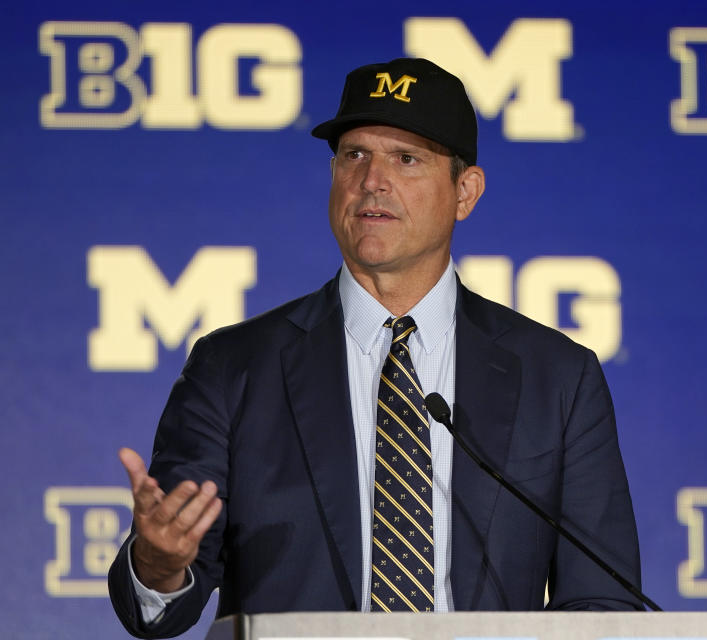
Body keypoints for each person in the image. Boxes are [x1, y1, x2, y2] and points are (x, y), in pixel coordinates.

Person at [108, 57, 644, 638]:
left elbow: (604, 604)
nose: (372, 181)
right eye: (354, 155)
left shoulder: (559, 378)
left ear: (465, 192)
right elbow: (162, 603)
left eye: (407, 158)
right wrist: (159, 565)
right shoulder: (231, 367)